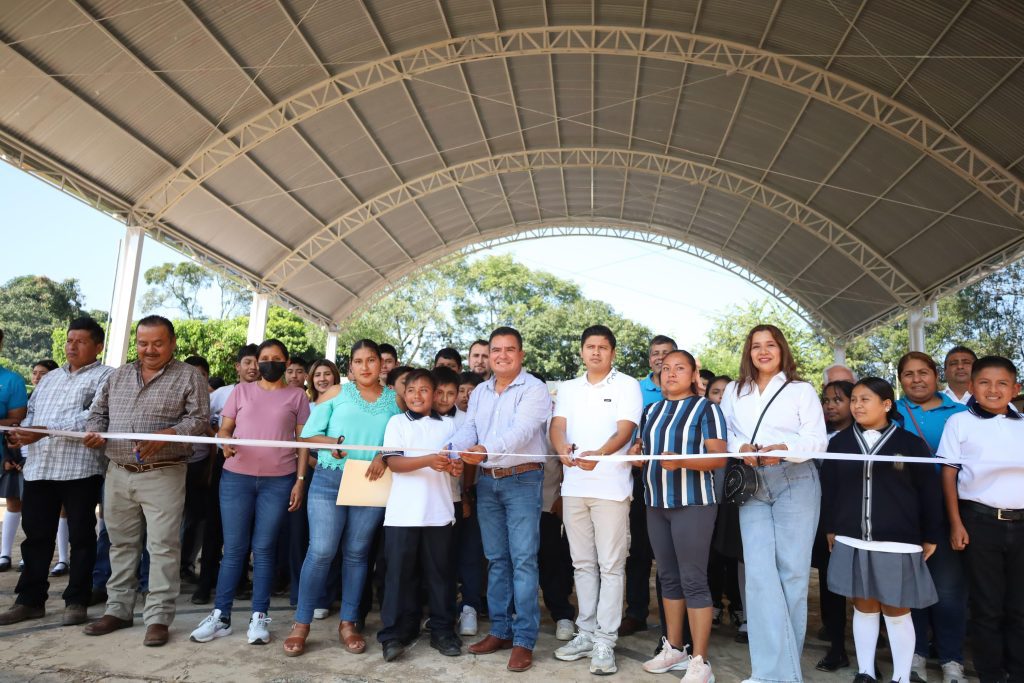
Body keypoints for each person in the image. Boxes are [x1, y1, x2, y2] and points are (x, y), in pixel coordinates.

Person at [81, 315, 210, 647]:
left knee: (163, 547)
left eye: (157, 343)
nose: (149, 350)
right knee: (120, 544)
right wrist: (94, 431)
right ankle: (118, 610)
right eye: (142, 343)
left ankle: (157, 618)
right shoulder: (119, 375)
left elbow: (198, 421)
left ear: (172, 343)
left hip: (164, 472)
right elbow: (98, 413)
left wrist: (168, 434)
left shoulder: (189, 376)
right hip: (118, 471)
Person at [719, 324, 827, 683]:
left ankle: (786, 673)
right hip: (752, 483)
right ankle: (766, 672)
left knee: (793, 575)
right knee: (760, 577)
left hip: (794, 480)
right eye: (755, 346)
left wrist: (786, 449)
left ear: (782, 350)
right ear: (748, 353)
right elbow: (730, 432)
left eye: (770, 345)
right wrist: (741, 449)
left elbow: (816, 440)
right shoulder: (735, 390)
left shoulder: (801, 390)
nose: (763, 351)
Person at [189, 339, 310, 646]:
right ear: (257, 362)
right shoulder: (240, 392)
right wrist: (224, 441)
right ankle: (221, 617)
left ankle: (259, 618)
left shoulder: (298, 396)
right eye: (264, 358)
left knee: (265, 548)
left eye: (276, 358)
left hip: (279, 481)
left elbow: (303, 442)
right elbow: (224, 429)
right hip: (236, 479)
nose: (270, 363)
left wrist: (299, 480)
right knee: (234, 549)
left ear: (285, 361)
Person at [823, 378, 942, 683]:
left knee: (896, 608)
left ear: (887, 404)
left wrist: (930, 534)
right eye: (855, 400)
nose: (857, 405)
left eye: (865, 399)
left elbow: (929, 492)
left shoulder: (911, 444)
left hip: (897, 539)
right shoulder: (839, 442)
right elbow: (830, 489)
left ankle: (901, 676)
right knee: (863, 605)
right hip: (851, 536)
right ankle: (865, 672)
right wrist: (831, 527)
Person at [285, 340, 400, 657]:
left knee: (357, 553)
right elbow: (307, 436)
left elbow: (402, 439)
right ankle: (301, 624)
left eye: (372, 360)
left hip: (370, 482)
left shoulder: (395, 401)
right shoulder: (336, 393)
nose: (365, 367)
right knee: (321, 551)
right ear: (350, 366)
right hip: (329, 479)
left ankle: (348, 622)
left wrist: (386, 456)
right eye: (359, 361)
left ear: (382, 365)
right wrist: (332, 442)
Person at [448, 326, 552, 673]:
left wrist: (484, 450)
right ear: (488, 355)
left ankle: (523, 639)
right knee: (496, 559)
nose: (502, 355)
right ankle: (501, 630)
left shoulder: (535, 389)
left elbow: (521, 431)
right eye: (496, 350)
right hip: (487, 481)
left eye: (510, 350)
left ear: (521, 355)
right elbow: (470, 429)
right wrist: (453, 450)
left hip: (522, 478)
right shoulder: (479, 392)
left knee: (523, 559)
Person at [0, 318, 113, 627]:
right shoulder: (49, 379)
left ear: (98, 346)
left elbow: (93, 418)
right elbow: (32, 413)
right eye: (68, 340)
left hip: (80, 469)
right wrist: (22, 433)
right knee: (36, 537)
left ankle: (76, 600)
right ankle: (29, 601)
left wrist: (44, 431)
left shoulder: (107, 377)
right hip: (39, 468)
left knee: (81, 537)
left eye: (80, 341)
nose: (72, 346)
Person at [549, 325, 642, 676]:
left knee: (611, 565)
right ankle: (585, 633)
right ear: (582, 351)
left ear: (613, 353)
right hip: (574, 487)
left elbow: (625, 430)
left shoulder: (627, 385)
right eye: (590, 346)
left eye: (603, 347)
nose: (596, 352)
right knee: (582, 564)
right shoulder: (569, 388)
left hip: (612, 489)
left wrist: (599, 455)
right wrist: (561, 449)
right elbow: (557, 426)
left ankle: (606, 640)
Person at [630, 350, 727, 682]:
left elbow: (719, 458)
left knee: (694, 579)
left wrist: (684, 461)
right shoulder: (651, 410)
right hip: (656, 502)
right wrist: (635, 455)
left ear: (693, 373)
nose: (670, 373)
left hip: (693, 503)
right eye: (665, 368)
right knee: (668, 577)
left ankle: (700, 660)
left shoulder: (707, 409)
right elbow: (644, 449)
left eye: (679, 368)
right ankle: (674, 648)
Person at [939, 356, 1023, 683]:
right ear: (972, 387)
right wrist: (956, 522)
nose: (993, 389)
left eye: (1002, 383)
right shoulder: (960, 423)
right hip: (980, 523)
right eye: (985, 383)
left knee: (1019, 607)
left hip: (1022, 524)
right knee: (987, 607)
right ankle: (990, 675)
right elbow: (948, 474)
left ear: (1015, 389)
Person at [376, 369, 463, 661]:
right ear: (404, 394)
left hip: (438, 513)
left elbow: (456, 464)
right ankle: (395, 633)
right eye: (411, 390)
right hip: (402, 514)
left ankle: (442, 631)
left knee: (440, 576)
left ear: (434, 393)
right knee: (399, 576)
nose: (417, 395)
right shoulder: (396, 422)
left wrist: (455, 467)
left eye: (424, 390)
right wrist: (430, 459)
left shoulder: (449, 426)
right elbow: (394, 462)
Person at [895, 351, 969, 683]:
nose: (916, 380)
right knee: (911, 588)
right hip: (902, 511)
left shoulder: (962, 412)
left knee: (949, 589)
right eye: (908, 374)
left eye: (923, 372)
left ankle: (952, 659)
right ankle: (916, 655)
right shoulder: (890, 411)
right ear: (900, 380)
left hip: (947, 509)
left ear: (935, 375)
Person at [192, 344, 261, 606]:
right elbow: (202, 419)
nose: (253, 367)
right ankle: (205, 583)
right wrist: (220, 439)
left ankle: (241, 581)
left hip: (257, 465)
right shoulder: (222, 394)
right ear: (237, 366)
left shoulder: (268, 394)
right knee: (215, 525)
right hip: (224, 461)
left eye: (257, 362)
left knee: (246, 524)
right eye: (247, 362)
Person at [621, 334, 677, 638]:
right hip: (641, 478)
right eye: (655, 354)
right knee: (640, 549)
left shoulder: (688, 390)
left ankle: (673, 621)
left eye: (666, 353)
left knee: (671, 552)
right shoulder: (635, 389)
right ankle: (637, 613)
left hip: (678, 478)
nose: (660, 358)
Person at [814, 380, 855, 673]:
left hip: (859, 521)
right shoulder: (817, 436)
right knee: (831, 587)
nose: (830, 405)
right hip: (826, 523)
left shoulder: (864, 436)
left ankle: (868, 655)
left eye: (837, 400)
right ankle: (837, 647)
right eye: (826, 400)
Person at [180, 355, 212, 586]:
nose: (194, 379)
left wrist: (209, 470)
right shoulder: (173, 397)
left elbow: (217, 441)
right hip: (173, 464)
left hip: (199, 466)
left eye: (200, 375)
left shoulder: (212, 401)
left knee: (195, 520)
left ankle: (186, 565)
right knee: (168, 521)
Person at [0, 329, 29, 573]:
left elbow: (17, 420)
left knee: (15, 502)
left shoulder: (12, 380)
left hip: (5, 452)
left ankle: (6, 555)